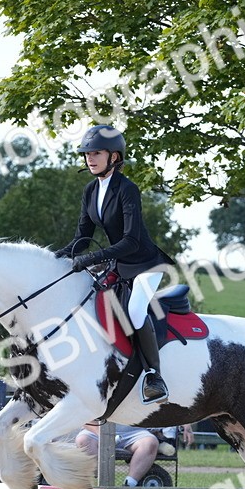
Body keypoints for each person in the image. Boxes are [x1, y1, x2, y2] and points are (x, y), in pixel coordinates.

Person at [55, 124, 174, 404]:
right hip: (118, 265)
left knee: (134, 310)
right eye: (87, 153)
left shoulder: (127, 189)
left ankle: (154, 376)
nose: (90, 158)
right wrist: (55, 258)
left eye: (96, 153)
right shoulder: (90, 191)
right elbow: (82, 239)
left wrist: (94, 258)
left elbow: (131, 241)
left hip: (145, 263)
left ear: (114, 157)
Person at [76, 421, 159, 488]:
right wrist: (102, 433)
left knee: (150, 443)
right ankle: (99, 480)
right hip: (96, 429)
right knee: (83, 440)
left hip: (134, 431)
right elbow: (83, 417)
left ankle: (129, 485)